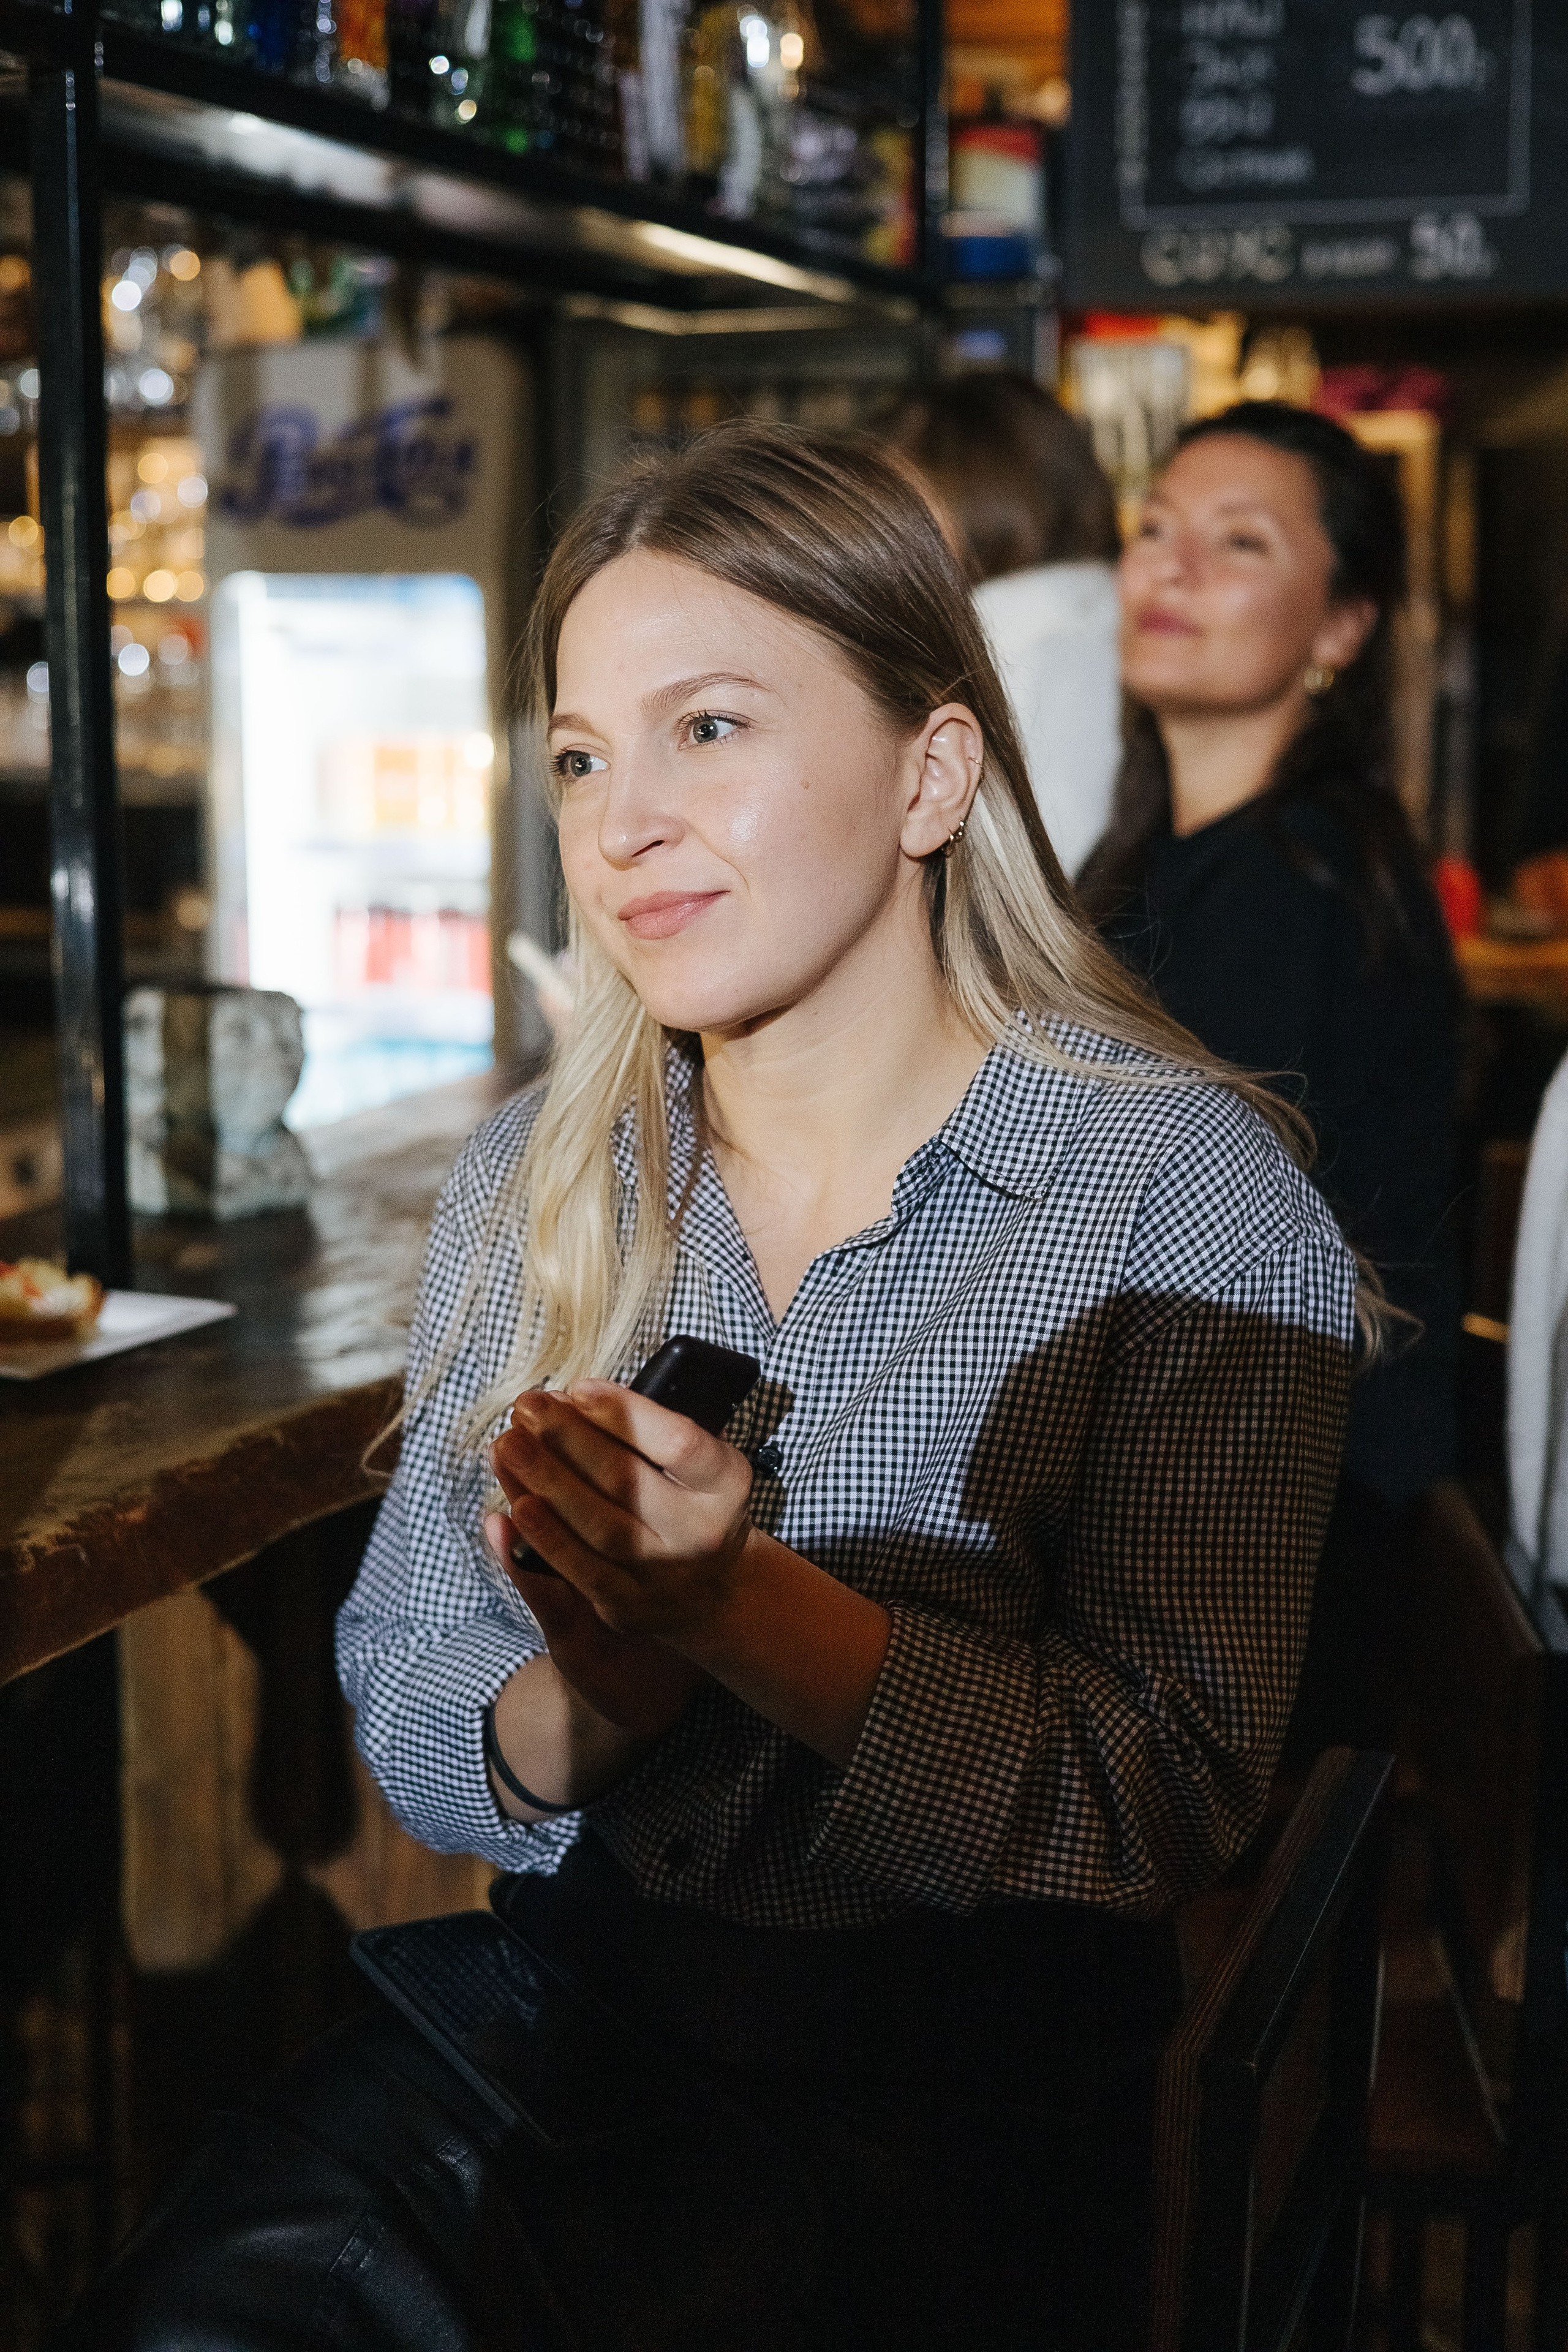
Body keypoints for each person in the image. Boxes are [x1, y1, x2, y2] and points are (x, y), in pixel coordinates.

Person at [70, 422, 1359, 2352]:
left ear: (932, 772)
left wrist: (736, 1605)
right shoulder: (547, 1171)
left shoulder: (1178, 1196)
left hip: (952, 2123)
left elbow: (1151, 1796)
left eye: (711, 728)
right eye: (583, 753)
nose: (619, 821)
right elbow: (418, 1701)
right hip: (562, 2038)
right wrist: (621, 1659)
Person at [1081, 400, 1461, 1757]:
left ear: (1339, 627)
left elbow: (1148, 1226)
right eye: (1152, 531)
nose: (1168, 570)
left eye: (1235, 543)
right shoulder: (1149, 864)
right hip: (1208, 1470)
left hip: (1272, 1535)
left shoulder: (1298, 879)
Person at [886, 373, 1121, 879]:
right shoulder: (1118, 621)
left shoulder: (999, 661)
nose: (882, 534)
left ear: (984, 502)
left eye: (903, 503)